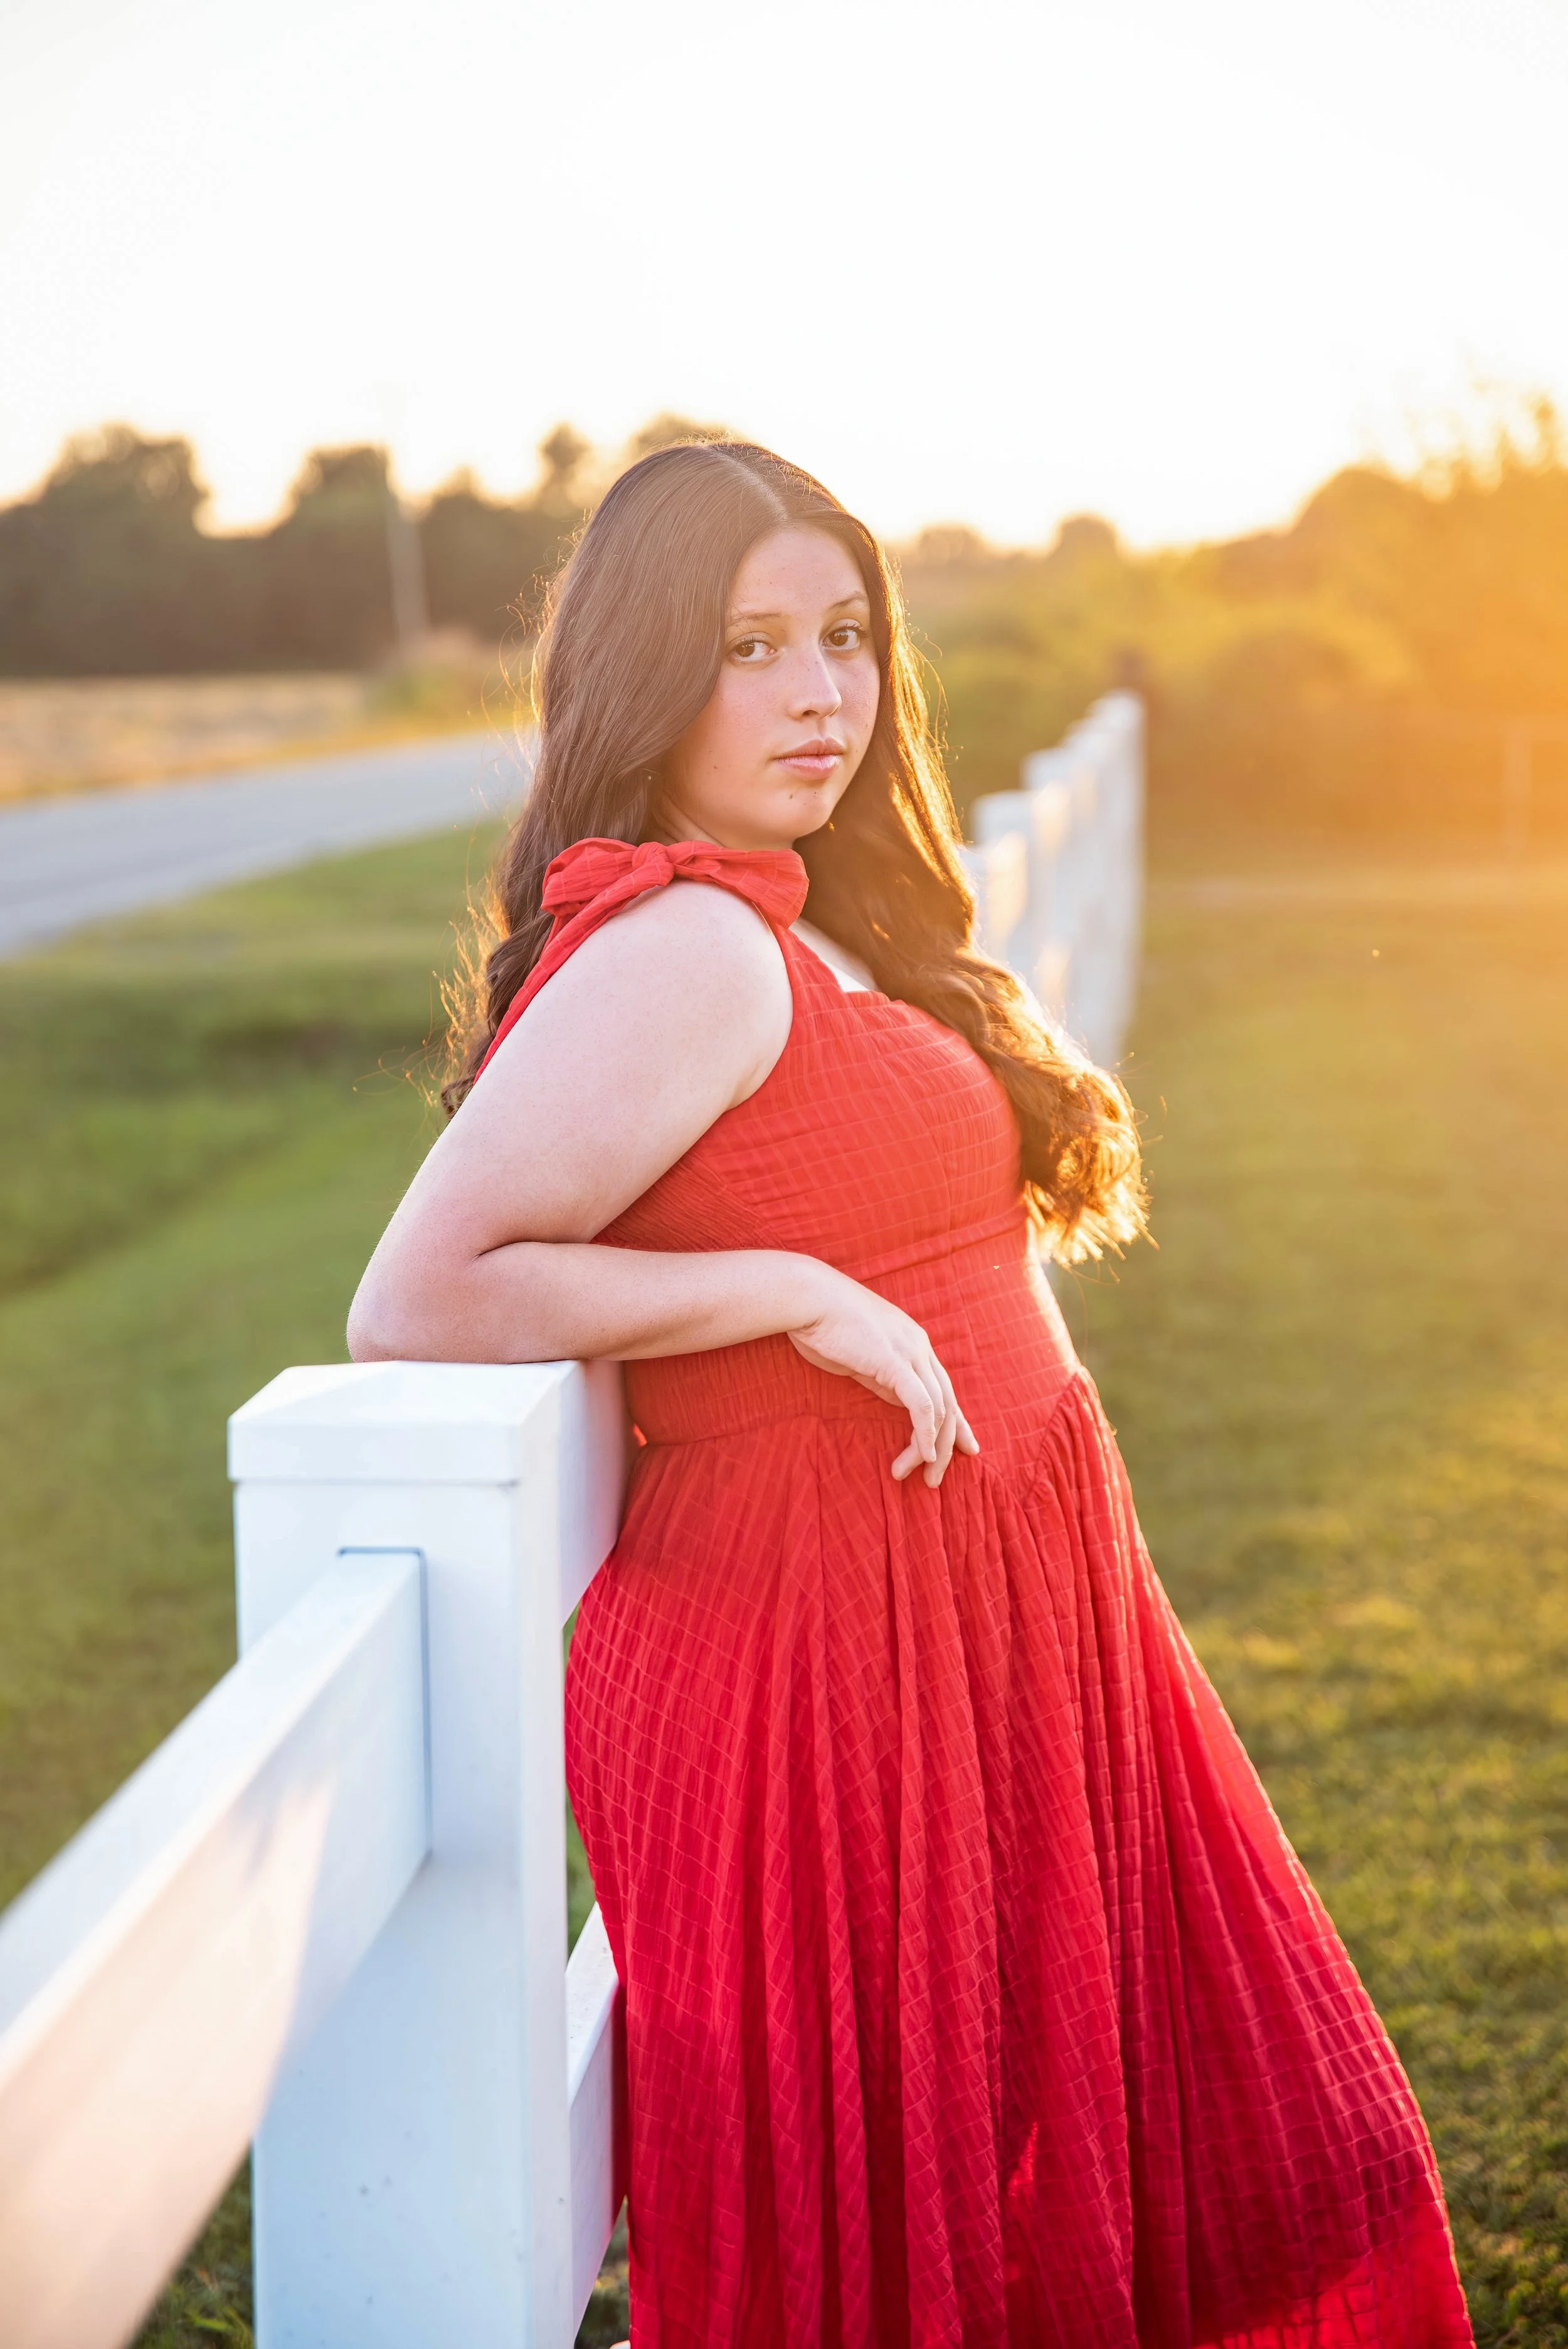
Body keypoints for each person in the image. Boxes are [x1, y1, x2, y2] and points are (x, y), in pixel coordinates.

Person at [347, 442, 1472, 2348]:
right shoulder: (687, 945)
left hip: (993, 1609)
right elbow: (417, 1295)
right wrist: (786, 1292)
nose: (817, 693)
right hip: (826, 1655)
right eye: (748, 649)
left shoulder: (807, 911)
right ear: (639, 681)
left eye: (845, 637)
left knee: (1166, 2153)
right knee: (921, 2214)